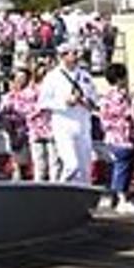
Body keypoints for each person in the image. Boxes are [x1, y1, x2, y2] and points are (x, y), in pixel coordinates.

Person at [40, 44, 99, 185]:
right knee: (72, 165)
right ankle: (60, 190)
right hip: (63, 124)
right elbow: (43, 102)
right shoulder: (52, 77)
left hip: (83, 123)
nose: (75, 56)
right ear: (63, 56)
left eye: (76, 53)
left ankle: (83, 200)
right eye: (71, 53)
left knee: (85, 168)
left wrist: (86, 102)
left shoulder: (85, 76)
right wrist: (64, 102)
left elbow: (95, 99)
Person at [97, 63, 134, 212]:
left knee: (115, 167)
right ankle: (121, 198)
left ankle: (113, 197)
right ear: (121, 78)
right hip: (123, 136)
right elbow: (129, 114)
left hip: (110, 136)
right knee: (123, 167)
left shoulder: (104, 96)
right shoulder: (121, 96)